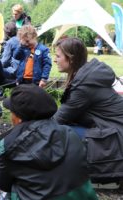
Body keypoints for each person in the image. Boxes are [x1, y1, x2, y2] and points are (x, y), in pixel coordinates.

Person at [0, 84, 98, 200]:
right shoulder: (70, 133)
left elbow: (4, 184)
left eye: (11, 111)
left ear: (19, 117)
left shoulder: (10, 144)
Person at [53, 37, 123, 183]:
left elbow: (58, 120)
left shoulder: (84, 86)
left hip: (117, 136)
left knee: (58, 133)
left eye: (58, 56)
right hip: (115, 129)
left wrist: (29, 126)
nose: (55, 60)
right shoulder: (86, 77)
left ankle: (73, 172)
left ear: (71, 59)